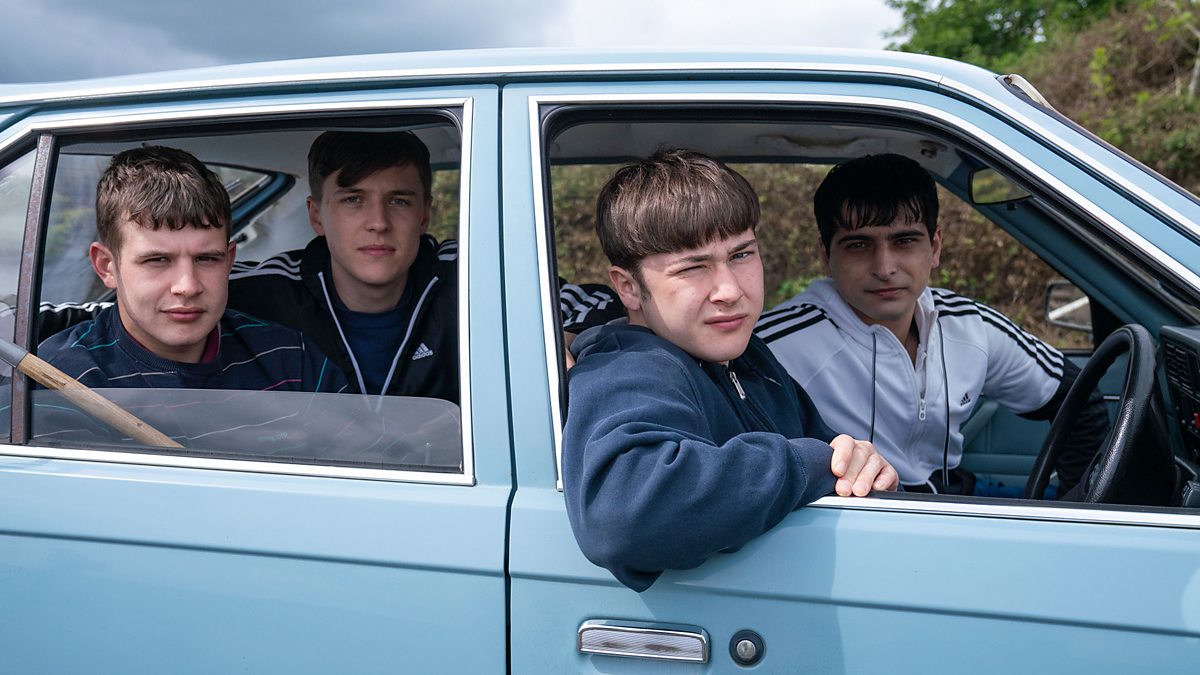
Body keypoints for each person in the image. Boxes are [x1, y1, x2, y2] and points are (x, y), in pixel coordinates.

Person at [562, 149, 898, 592]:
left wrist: (859, 461)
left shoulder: (750, 357)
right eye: (693, 267)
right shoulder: (628, 369)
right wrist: (808, 465)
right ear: (628, 287)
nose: (730, 290)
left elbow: (828, 451)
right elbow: (622, 515)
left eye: (741, 255)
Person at [756, 153, 1107, 496]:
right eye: (859, 245)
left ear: (935, 246)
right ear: (826, 255)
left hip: (952, 502)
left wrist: (1079, 505)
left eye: (904, 241)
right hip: (856, 517)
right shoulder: (777, 346)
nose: (885, 268)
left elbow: (1078, 398)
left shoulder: (968, 326)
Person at [226, 130, 619, 401]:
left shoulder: (469, 273)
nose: (378, 222)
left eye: (399, 200)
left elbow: (599, 303)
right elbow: (200, 291)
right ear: (317, 216)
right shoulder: (269, 288)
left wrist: (558, 335)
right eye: (353, 200)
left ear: (424, 214)